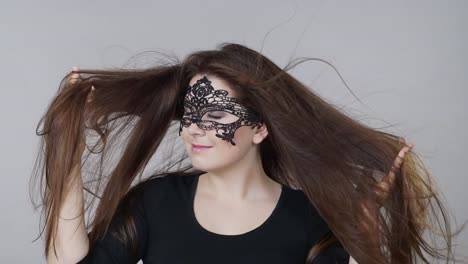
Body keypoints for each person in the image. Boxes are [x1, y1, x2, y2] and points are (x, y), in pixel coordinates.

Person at [31, 43, 461, 264]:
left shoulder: (311, 215)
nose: (194, 128)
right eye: (188, 113)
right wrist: (69, 146)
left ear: (259, 128)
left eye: (214, 113)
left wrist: (365, 237)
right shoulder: (155, 203)